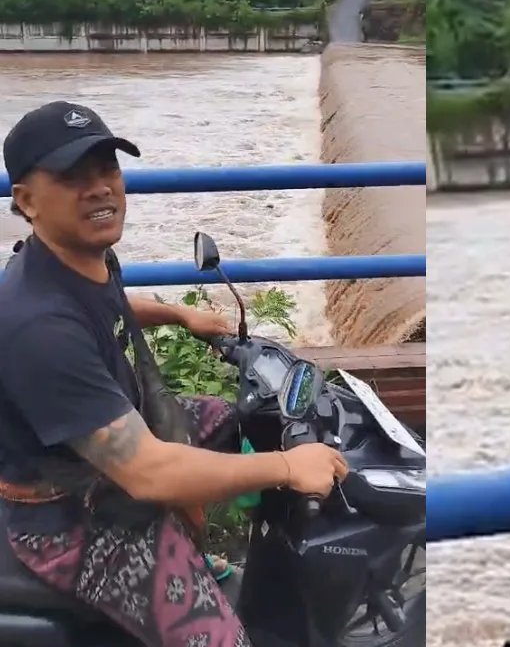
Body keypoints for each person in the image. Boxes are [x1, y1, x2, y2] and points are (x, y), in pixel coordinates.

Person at [0, 101, 350, 647]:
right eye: (72, 177)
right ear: (26, 201)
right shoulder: (38, 327)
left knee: (237, 419)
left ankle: (259, 551)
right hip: (72, 516)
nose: (99, 188)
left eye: (107, 168)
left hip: (109, 444)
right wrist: (287, 466)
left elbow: (106, 305)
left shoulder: (82, 254)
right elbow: (149, 474)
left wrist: (178, 314)